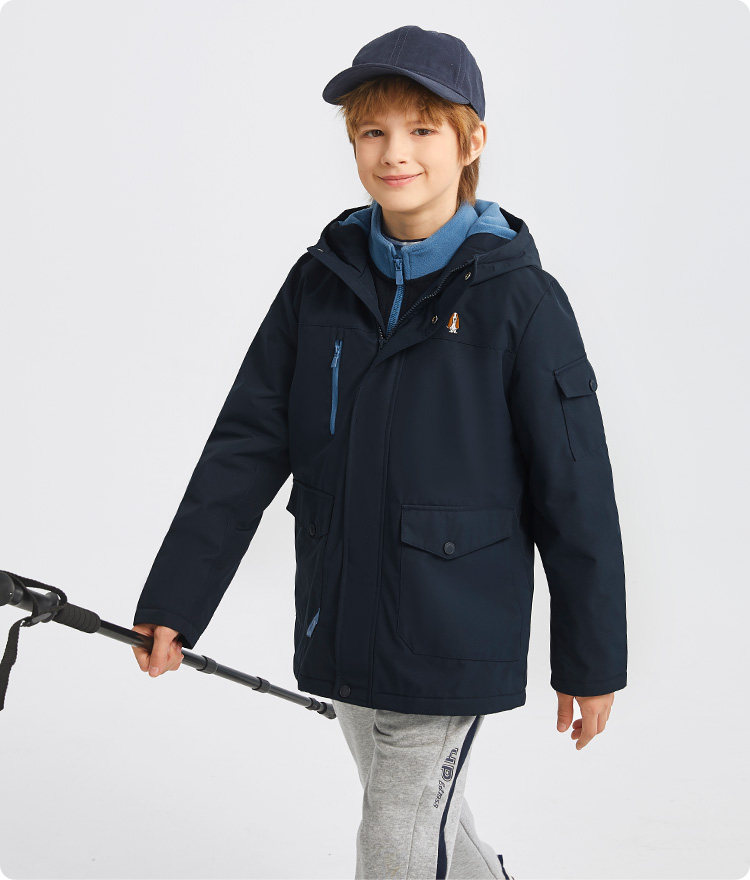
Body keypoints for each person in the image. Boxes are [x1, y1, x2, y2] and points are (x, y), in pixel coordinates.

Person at [131, 25, 627, 879]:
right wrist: (177, 596)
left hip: (451, 625)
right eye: (373, 131)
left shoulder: (523, 302)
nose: (395, 152)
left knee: (394, 841)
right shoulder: (319, 282)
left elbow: (574, 488)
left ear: (472, 140)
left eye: (422, 129)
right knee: (426, 817)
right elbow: (246, 442)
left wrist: (591, 659)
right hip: (342, 611)